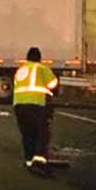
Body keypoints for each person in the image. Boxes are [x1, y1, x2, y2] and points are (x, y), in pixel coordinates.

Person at [12, 46, 58, 174]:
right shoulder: (41, 68)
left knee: (27, 133)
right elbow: (53, 84)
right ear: (39, 58)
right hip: (36, 104)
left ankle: (29, 160)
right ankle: (39, 160)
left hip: (19, 105)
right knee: (41, 132)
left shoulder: (20, 70)